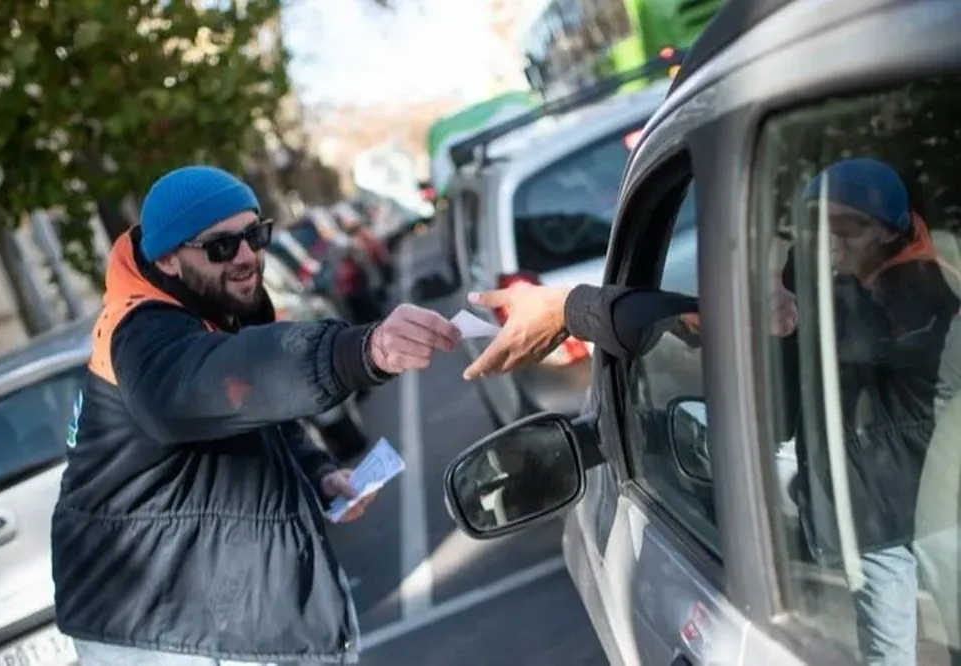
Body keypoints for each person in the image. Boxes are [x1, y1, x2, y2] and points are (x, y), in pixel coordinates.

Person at [463, 158, 960, 666]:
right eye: (821, 226)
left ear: (890, 229)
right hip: (876, 510)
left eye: (849, 228)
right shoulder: (834, 279)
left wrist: (573, 308)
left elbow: (835, 329)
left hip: (924, 502)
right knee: (889, 648)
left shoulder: (918, 288)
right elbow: (725, 331)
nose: (832, 242)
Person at [52, 165, 461, 666]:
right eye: (221, 246)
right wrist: (365, 349)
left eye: (255, 235)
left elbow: (255, 420)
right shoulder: (140, 333)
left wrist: (317, 475)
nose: (247, 256)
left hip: (231, 621)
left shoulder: (209, 308)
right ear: (169, 259)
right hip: (172, 634)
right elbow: (219, 384)